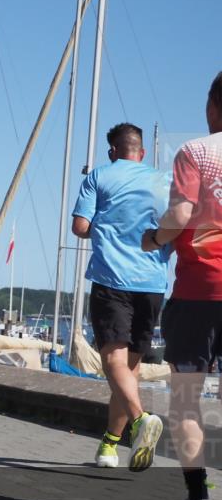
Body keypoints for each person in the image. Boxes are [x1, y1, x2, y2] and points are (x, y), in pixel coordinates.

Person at [142, 71, 222, 500]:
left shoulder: (197, 152)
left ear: (213, 105)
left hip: (200, 293)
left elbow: (180, 214)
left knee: (187, 401)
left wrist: (154, 238)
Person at [71, 122, 169, 470]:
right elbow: (178, 223)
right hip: (153, 283)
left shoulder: (99, 176)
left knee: (113, 360)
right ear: (142, 152)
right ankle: (109, 446)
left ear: (113, 151)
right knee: (129, 369)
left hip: (112, 279)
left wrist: (106, 227)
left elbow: (80, 227)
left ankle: (141, 421)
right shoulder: (164, 181)